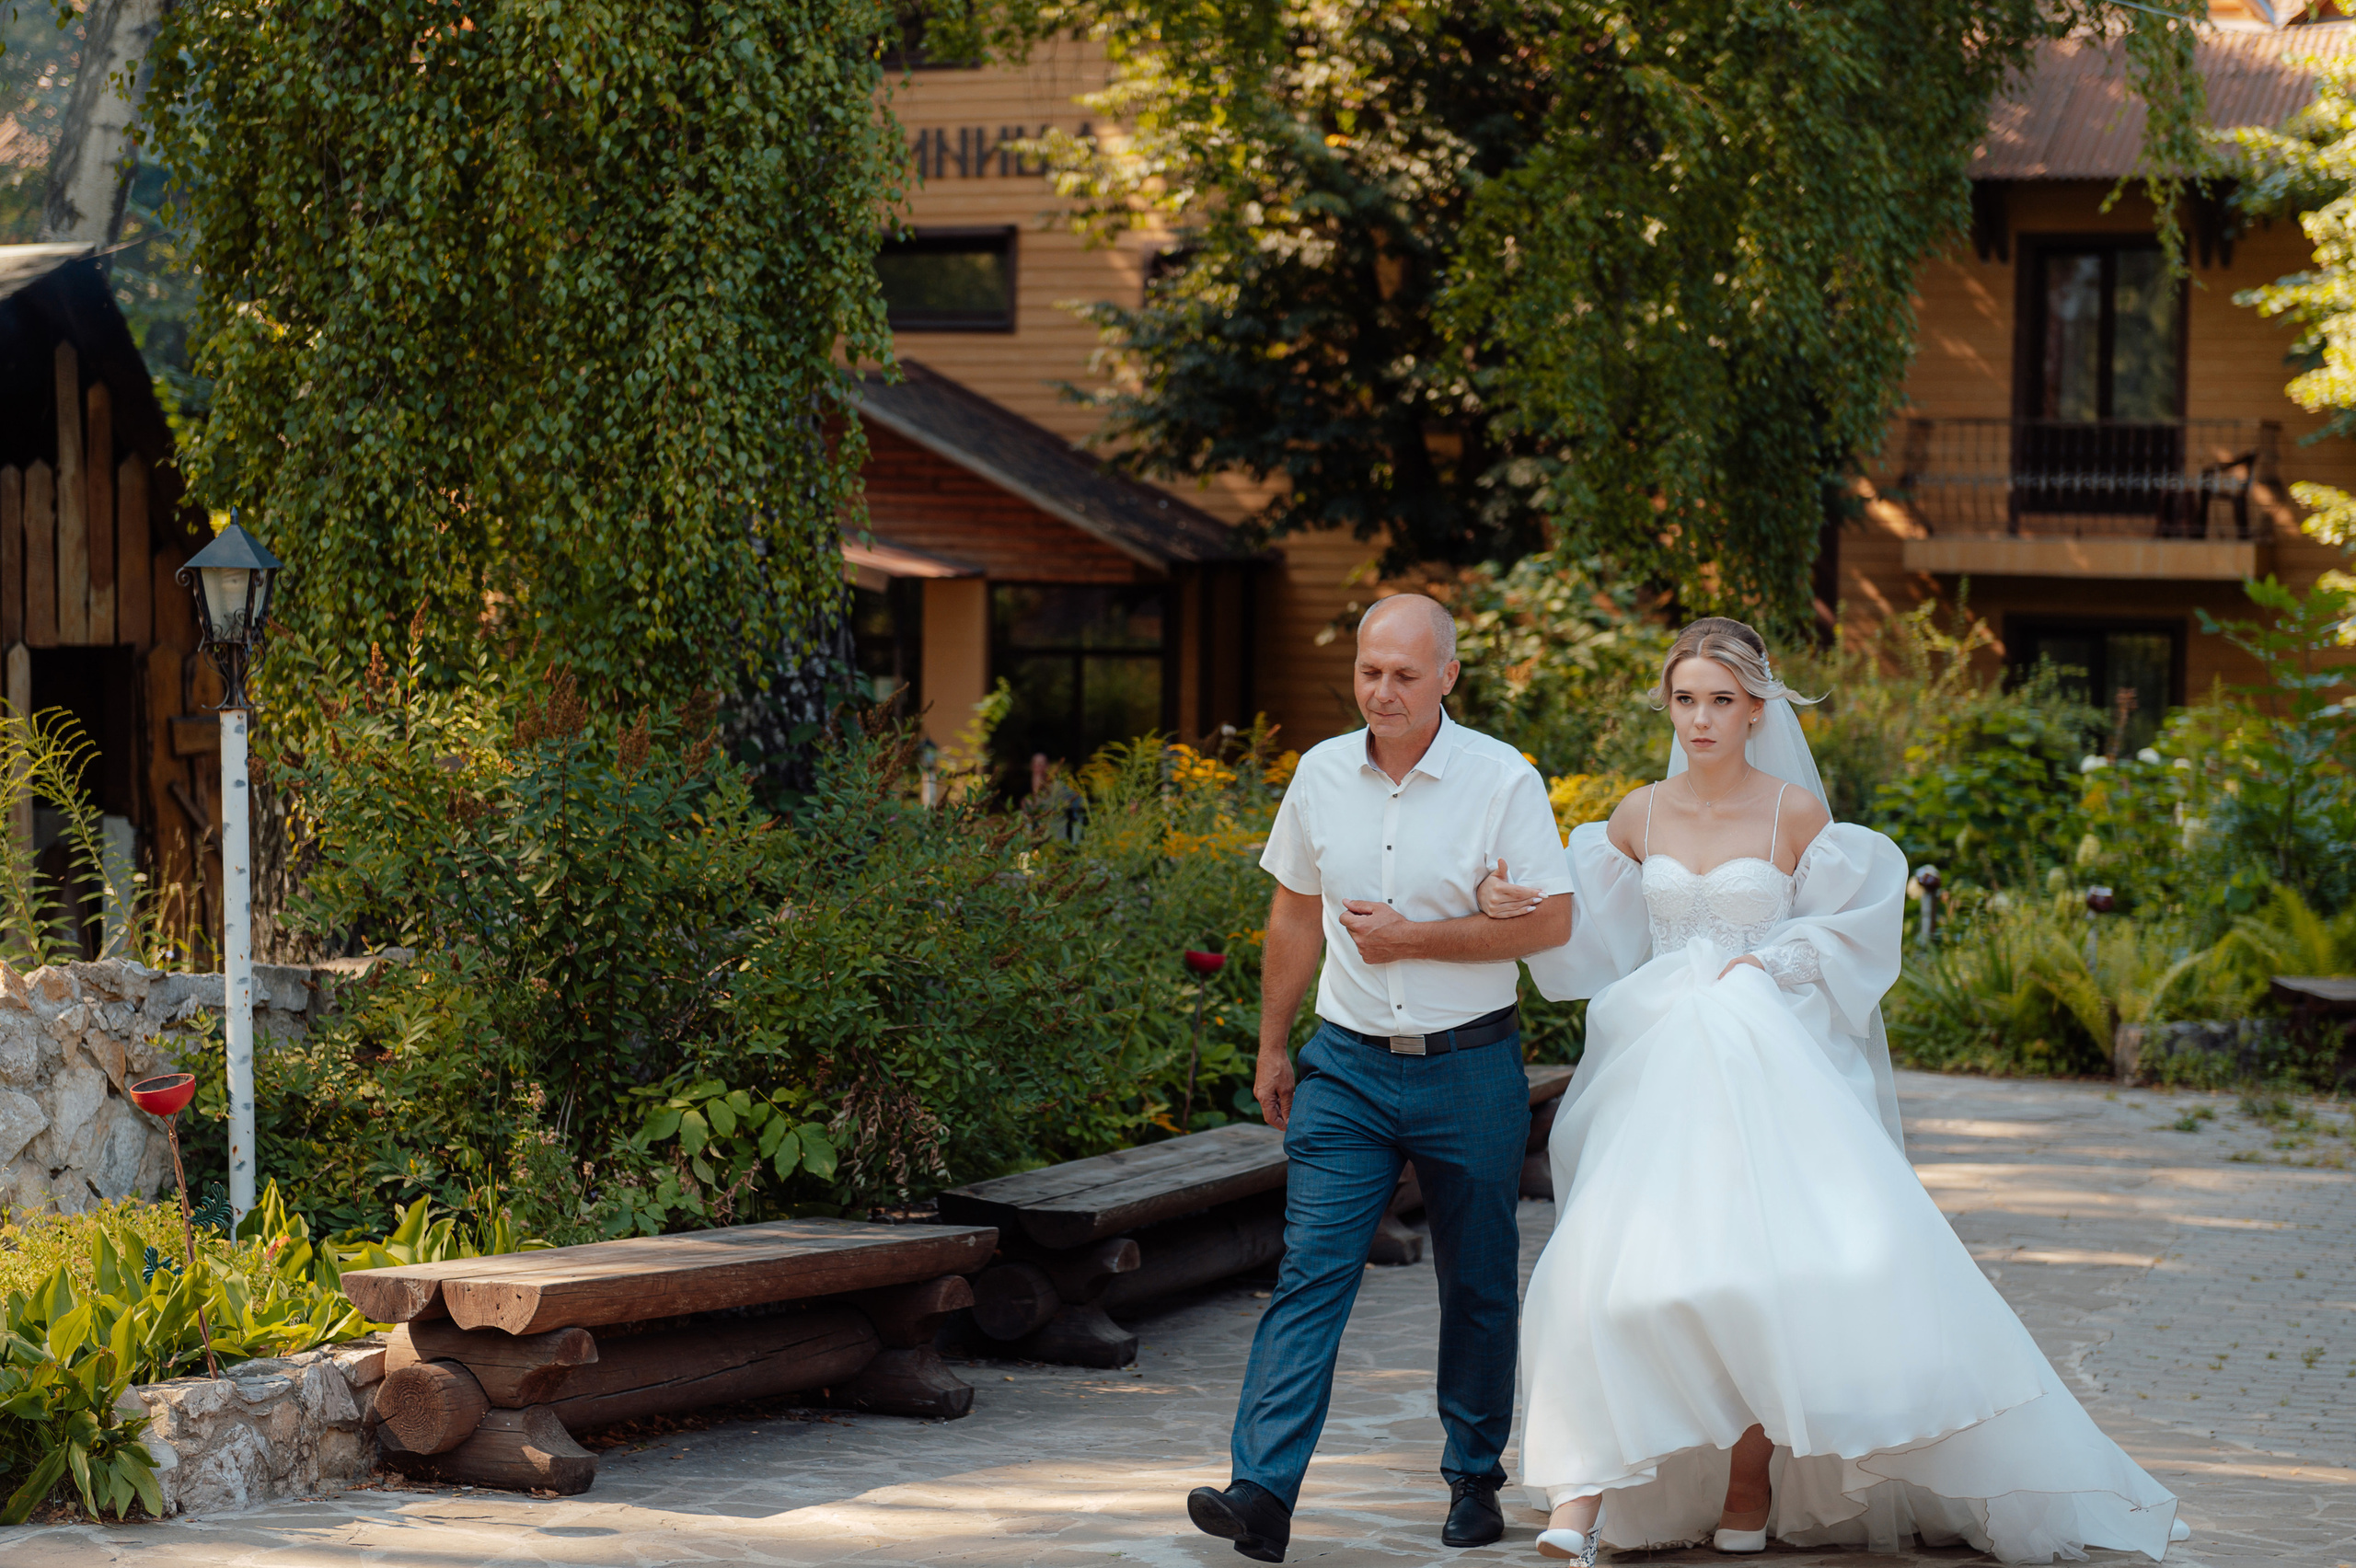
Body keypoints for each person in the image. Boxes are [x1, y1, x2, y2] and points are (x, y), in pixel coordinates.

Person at [1475, 617, 2187, 1563]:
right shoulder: (1634, 816)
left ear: (1756, 708)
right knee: (1598, 1274)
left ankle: (1746, 1482)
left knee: (1770, 1284)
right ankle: (1580, 1500)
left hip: (1761, 1069)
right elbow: (1581, 932)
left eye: (1720, 701)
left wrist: (1772, 962)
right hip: (1652, 1072)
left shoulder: (1795, 819)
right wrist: (1503, 906)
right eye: (1684, 700)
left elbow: (1852, 938)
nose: (1700, 719)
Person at [1186, 594, 1576, 1563]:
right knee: (1310, 1272)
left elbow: (1550, 923)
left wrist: (1416, 939)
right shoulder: (1320, 773)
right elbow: (1292, 915)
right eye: (1369, 671)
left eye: (1405, 674)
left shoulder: (1502, 779)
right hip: (1346, 1067)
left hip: (1471, 1068)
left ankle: (1472, 1479)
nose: (1383, 691)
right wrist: (1273, 1046)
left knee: (1478, 1283)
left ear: (1448, 675)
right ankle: (1262, 1492)